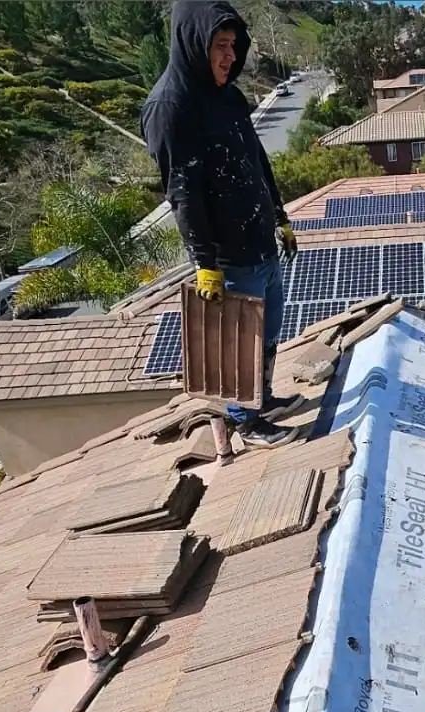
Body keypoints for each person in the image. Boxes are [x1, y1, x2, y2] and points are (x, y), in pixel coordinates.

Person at [142, 0, 304, 449]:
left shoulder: (228, 96)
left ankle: (262, 400)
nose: (231, 56)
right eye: (221, 46)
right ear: (194, 44)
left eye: (234, 45)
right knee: (239, 343)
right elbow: (182, 192)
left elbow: (257, 160)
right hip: (228, 257)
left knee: (268, 332)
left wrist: (279, 216)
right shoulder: (170, 106)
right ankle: (245, 421)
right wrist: (205, 264)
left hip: (260, 242)